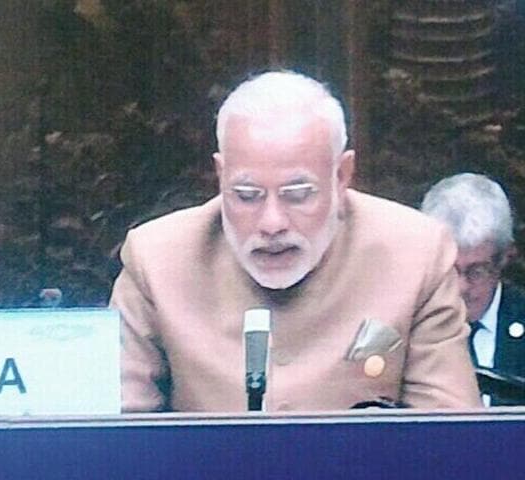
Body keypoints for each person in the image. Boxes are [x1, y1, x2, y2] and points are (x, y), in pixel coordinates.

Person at [110, 71, 481, 412]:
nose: (272, 223)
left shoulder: (415, 253)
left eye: (297, 194)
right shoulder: (156, 259)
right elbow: (112, 441)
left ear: (341, 175)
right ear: (221, 175)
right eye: (246, 195)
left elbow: (455, 444)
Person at [421, 173, 525, 405]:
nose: (461, 287)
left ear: (505, 257)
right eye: (449, 270)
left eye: (477, 271)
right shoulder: (403, 328)